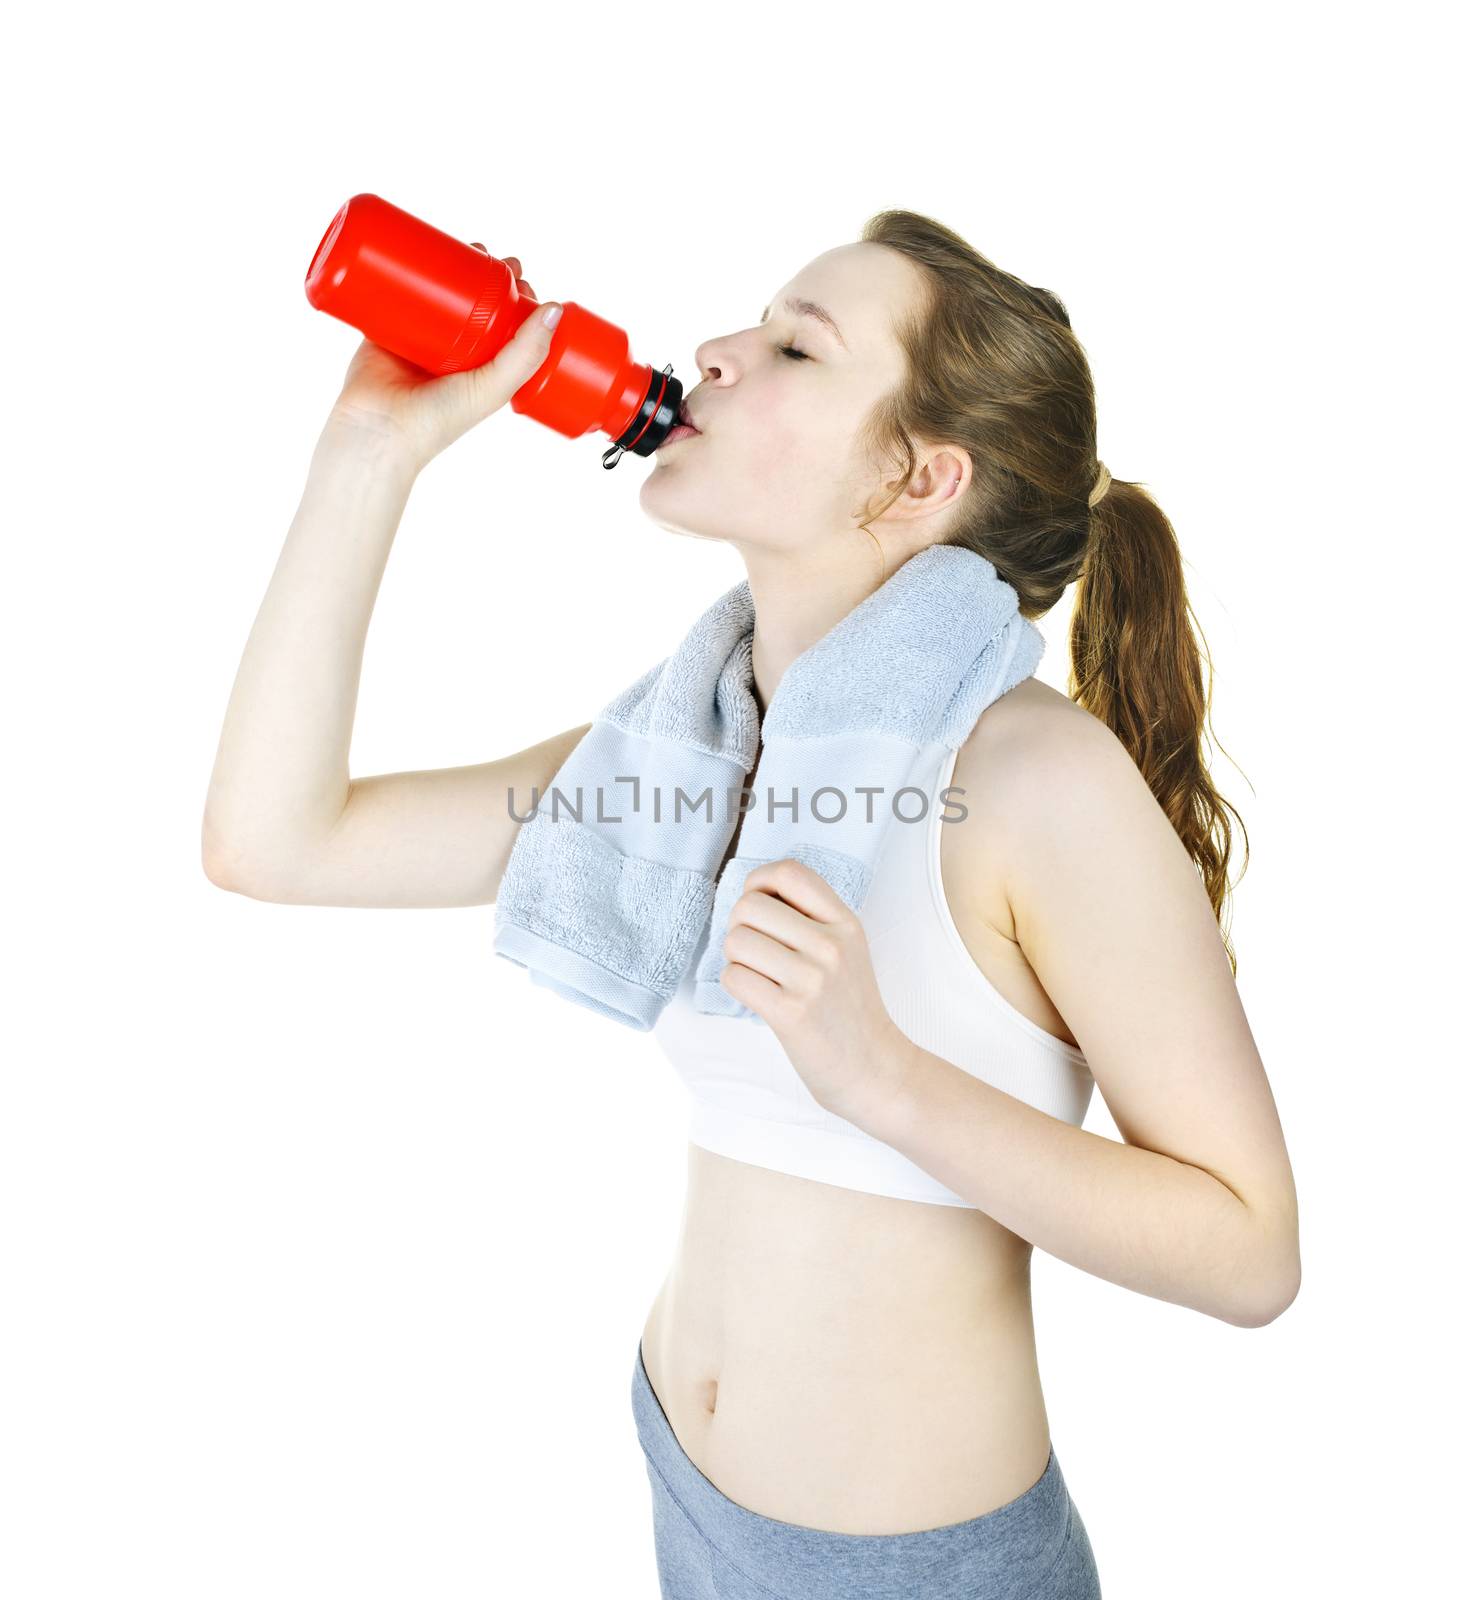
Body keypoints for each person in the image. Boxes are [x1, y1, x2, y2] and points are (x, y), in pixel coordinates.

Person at [203, 213, 1301, 1599]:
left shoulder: (1036, 780)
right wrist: (369, 455)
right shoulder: (688, 750)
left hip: (916, 1572)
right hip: (688, 1499)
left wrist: (882, 1077)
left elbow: (1250, 1249)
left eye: (792, 345)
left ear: (915, 478)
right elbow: (273, 843)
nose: (714, 353)